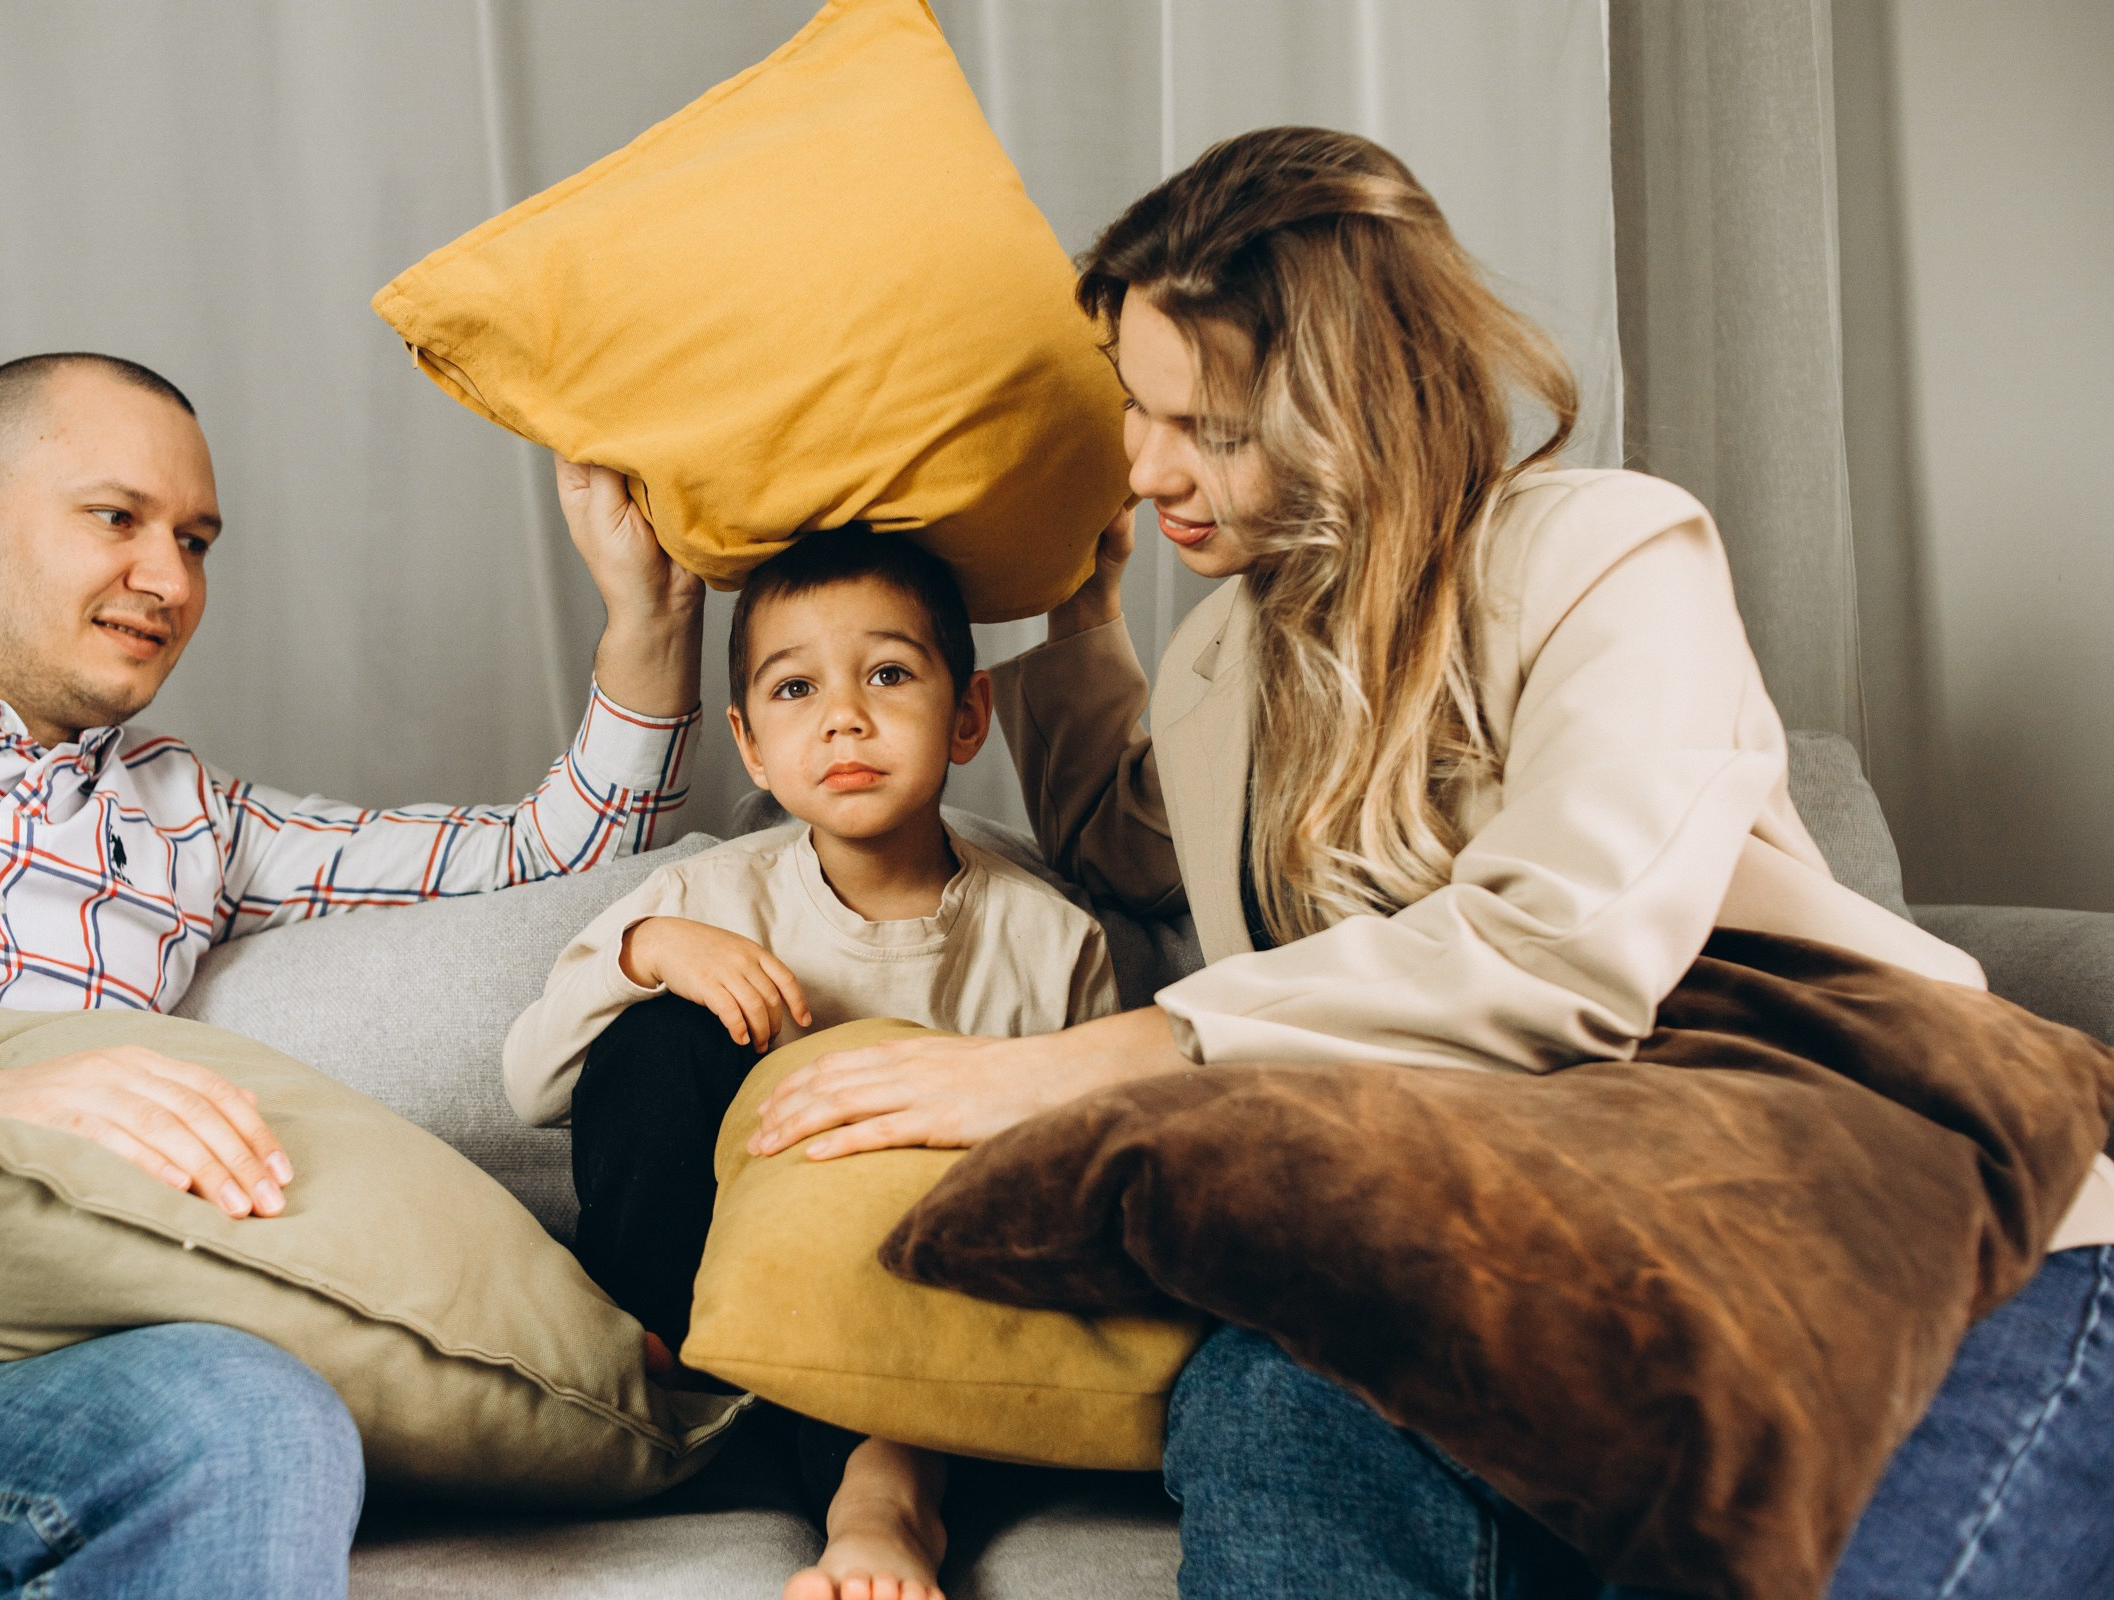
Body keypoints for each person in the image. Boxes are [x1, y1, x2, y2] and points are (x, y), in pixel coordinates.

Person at [737, 129, 2114, 1597]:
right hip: (1479, 1243)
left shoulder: (1608, 550)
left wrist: (1095, 1062)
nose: (1144, 468)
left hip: (1880, 1199)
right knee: (1268, 1391)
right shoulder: (1223, 670)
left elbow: (1562, 945)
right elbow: (1130, 841)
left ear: (1351, 402)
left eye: (1203, 426)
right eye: (1133, 411)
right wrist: (1082, 622)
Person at [0, 352, 707, 1598]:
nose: (170, 580)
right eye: (117, 518)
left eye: (197, 539)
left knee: (250, 1413)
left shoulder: (188, 821)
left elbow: (549, 857)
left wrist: (651, 615)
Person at [503, 532, 1118, 1600]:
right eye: (795, 688)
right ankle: (682, 1403)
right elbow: (530, 1081)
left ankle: (882, 1510)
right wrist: (651, 952)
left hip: (905, 1329)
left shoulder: (1051, 940)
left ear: (967, 713)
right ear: (747, 742)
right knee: (659, 1036)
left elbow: (1098, 1170)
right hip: (696, 1320)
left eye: (888, 673)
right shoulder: (709, 899)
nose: (844, 716)